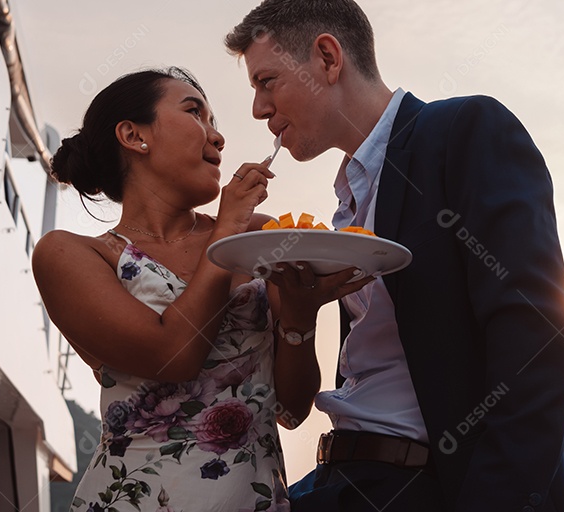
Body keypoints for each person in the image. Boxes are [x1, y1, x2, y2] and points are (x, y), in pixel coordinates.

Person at [224, 0, 564, 512]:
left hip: (432, 485)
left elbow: (537, 329)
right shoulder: (346, 205)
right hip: (345, 480)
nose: (259, 108)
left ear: (327, 58)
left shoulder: (462, 130)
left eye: (266, 82)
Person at [32, 68, 369, 512]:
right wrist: (226, 231)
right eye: (195, 113)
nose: (218, 137)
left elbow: (291, 410)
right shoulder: (70, 254)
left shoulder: (262, 236)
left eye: (215, 122)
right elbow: (173, 354)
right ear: (133, 135)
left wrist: (302, 315)